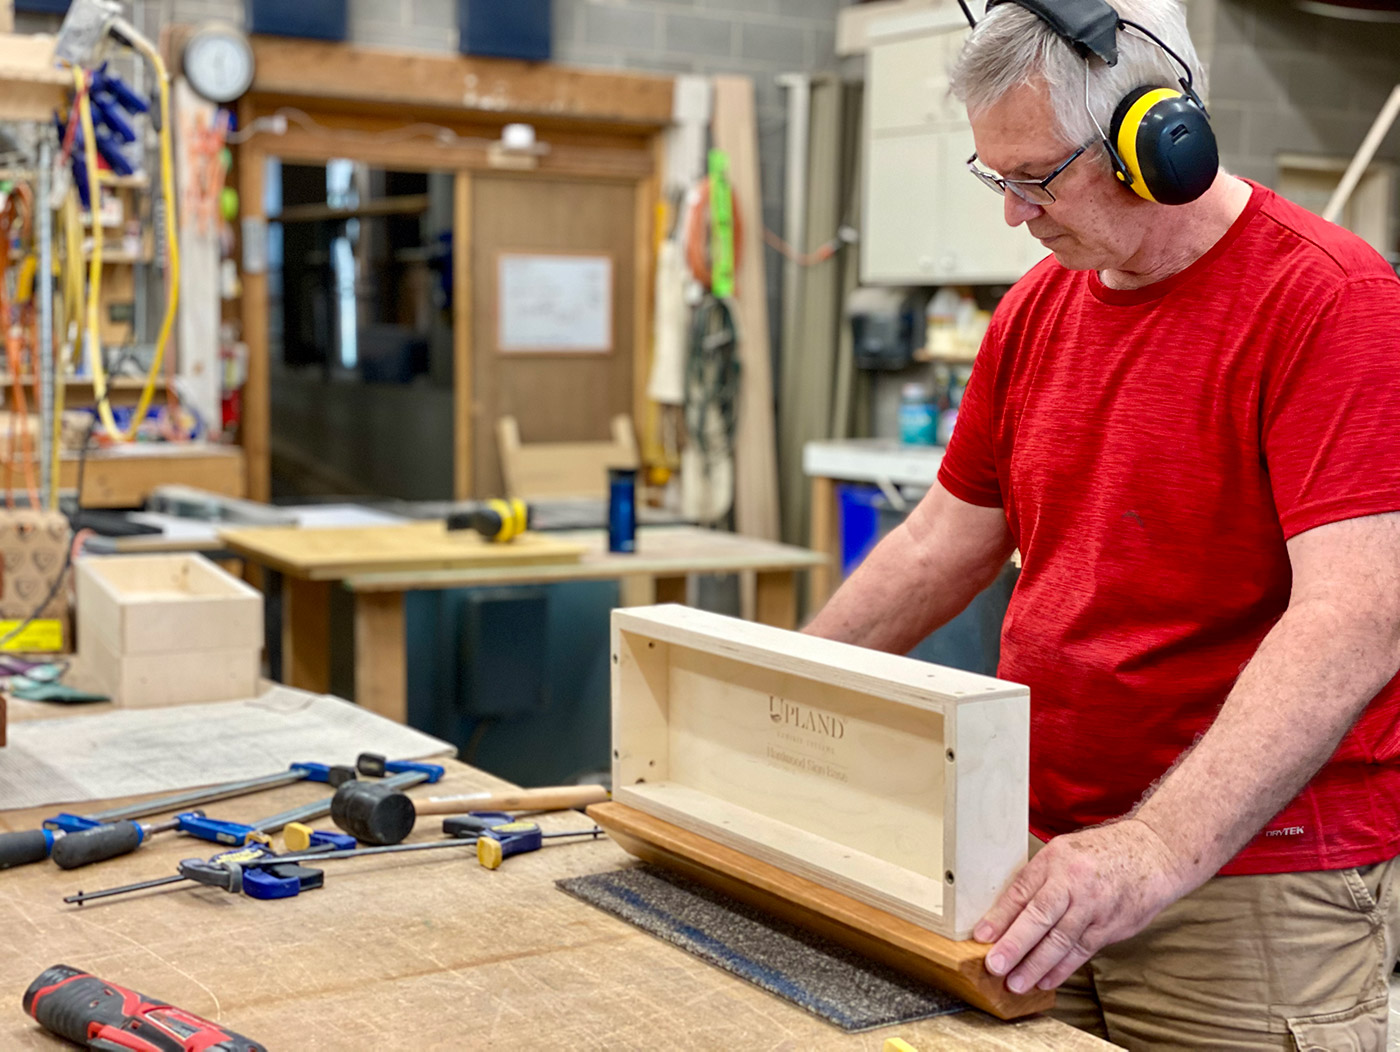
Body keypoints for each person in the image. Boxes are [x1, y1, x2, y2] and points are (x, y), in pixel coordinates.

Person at [803, 0, 1400, 1046]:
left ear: (1156, 142)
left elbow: (1354, 617)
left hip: (1247, 883)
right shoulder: (1035, 310)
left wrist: (1150, 849)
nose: (1012, 215)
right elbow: (939, 545)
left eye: (1034, 178)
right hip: (1039, 863)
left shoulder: (1333, 303)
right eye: (996, 179)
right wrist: (770, 688)